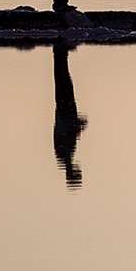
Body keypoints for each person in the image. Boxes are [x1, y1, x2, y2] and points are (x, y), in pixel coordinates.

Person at [53, 41, 86, 189]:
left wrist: (76, 126)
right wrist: (76, 126)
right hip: (65, 112)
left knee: (63, 80)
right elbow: (65, 132)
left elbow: (63, 132)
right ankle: (60, 51)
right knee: (64, 80)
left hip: (64, 112)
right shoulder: (64, 155)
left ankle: (61, 51)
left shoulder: (63, 156)